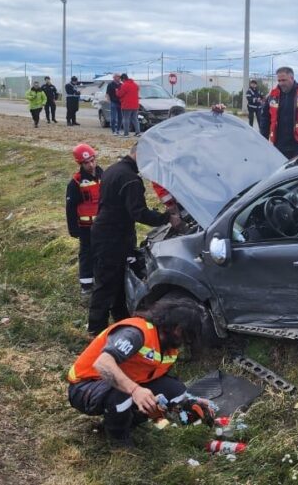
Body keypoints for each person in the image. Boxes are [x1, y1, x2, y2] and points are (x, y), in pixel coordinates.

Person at [67, 297, 217, 447]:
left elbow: (158, 379)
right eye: (186, 336)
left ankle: (127, 420)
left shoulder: (169, 348)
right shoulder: (136, 333)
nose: (185, 343)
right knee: (123, 395)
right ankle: (118, 439)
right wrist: (135, 390)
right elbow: (103, 364)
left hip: (120, 383)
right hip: (85, 386)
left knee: (176, 390)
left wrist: (189, 400)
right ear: (177, 328)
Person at [88, 143, 179, 335]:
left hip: (106, 232)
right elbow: (139, 213)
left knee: (118, 279)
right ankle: (96, 329)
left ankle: (120, 320)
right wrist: (166, 218)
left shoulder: (114, 169)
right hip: (113, 236)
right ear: (139, 155)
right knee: (106, 282)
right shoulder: (131, 180)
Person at [258, 67, 298, 159]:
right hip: (279, 145)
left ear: (292, 78)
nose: (281, 83)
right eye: (279, 80)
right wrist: (262, 140)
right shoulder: (273, 95)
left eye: (284, 80)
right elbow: (265, 119)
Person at [66, 144, 103, 299]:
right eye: (86, 163)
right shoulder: (76, 182)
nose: (91, 165)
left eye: (92, 161)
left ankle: (101, 279)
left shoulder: (103, 175)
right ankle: (86, 285)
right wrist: (73, 229)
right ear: (80, 164)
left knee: (103, 253)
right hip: (85, 227)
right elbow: (70, 207)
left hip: (103, 225)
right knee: (87, 254)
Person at [116, 73, 141, 137]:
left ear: (123, 79)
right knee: (135, 119)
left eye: (122, 80)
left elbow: (119, 94)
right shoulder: (135, 85)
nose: (122, 81)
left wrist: (117, 91)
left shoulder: (125, 85)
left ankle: (126, 133)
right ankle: (138, 132)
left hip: (127, 105)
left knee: (126, 119)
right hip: (135, 105)